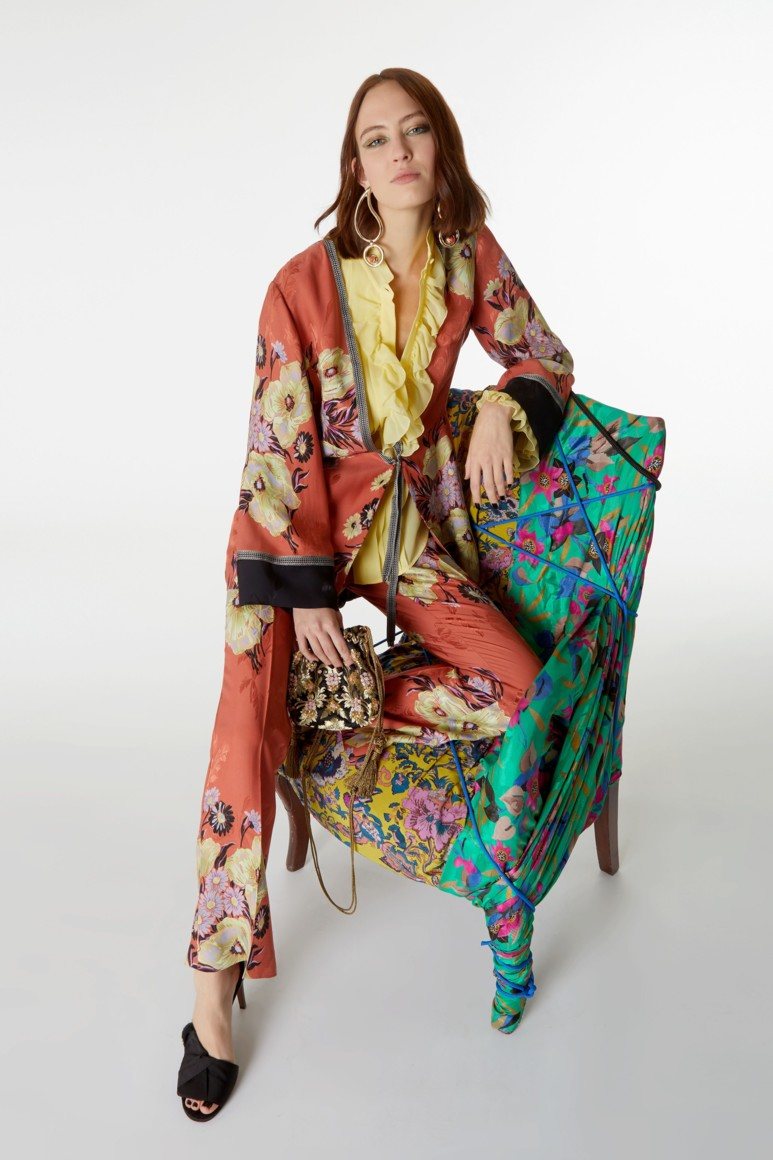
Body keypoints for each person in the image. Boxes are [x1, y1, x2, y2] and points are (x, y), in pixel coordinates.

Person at [177, 67, 575, 1119]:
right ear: (354, 169)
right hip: (290, 536)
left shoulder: (467, 254)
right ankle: (210, 991)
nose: (397, 152)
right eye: (374, 140)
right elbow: (274, 453)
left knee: (522, 686)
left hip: (398, 530)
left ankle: (330, 710)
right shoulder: (298, 286)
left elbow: (545, 355)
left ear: (440, 146)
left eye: (415, 131)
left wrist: (504, 407)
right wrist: (306, 593)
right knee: (241, 730)